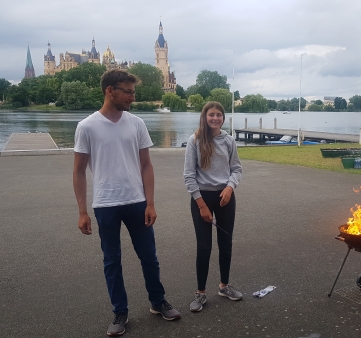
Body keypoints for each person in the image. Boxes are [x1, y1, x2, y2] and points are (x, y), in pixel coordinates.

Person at [73, 69, 180, 337]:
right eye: (128, 92)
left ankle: (158, 302)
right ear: (111, 90)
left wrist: (151, 202)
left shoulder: (137, 124)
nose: (133, 97)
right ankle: (120, 312)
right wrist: (82, 211)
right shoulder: (87, 126)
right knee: (112, 261)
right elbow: (78, 171)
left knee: (149, 258)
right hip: (106, 203)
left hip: (136, 201)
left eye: (133, 92)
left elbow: (146, 165)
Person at [183, 101, 243, 312]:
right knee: (204, 246)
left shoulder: (229, 141)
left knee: (225, 243)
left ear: (223, 118)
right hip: (202, 198)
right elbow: (189, 176)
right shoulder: (195, 140)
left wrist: (229, 188)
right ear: (205, 117)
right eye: (211, 115)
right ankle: (200, 293)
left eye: (219, 115)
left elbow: (236, 169)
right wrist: (201, 204)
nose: (215, 118)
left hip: (225, 197)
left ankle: (224, 286)